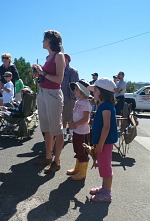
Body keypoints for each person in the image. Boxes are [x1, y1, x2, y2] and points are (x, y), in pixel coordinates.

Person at [31, 30, 65, 173]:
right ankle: (48, 157)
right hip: (43, 93)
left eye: (44, 39)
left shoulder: (59, 56)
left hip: (53, 95)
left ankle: (56, 161)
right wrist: (38, 75)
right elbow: (46, 77)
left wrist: (42, 72)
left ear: (51, 40)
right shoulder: (48, 57)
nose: (42, 41)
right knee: (46, 128)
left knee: (56, 129)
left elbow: (58, 80)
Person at [87, 78, 118, 202]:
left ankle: (107, 193)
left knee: (105, 167)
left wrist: (100, 144)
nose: (93, 93)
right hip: (102, 142)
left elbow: (107, 126)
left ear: (102, 91)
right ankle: (104, 188)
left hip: (104, 142)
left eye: (94, 90)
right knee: (103, 166)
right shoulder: (103, 105)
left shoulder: (106, 106)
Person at [66, 80, 92, 180]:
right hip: (76, 131)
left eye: (76, 89)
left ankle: (82, 173)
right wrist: (71, 122)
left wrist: (75, 124)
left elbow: (86, 119)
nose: (74, 91)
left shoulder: (86, 103)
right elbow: (75, 114)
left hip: (83, 133)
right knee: (77, 149)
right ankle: (77, 168)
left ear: (82, 91)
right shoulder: (77, 102)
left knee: (83, 152)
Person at [61, 53, 79, 142]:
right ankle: (63, 133)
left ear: (67, 60)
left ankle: (71, 134)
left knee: (70, 118)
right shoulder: (61, 71)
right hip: (61, 98)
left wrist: (71, 97)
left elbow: (74, 87)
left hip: (70, 99)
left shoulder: (73, 71)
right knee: (63, 118)